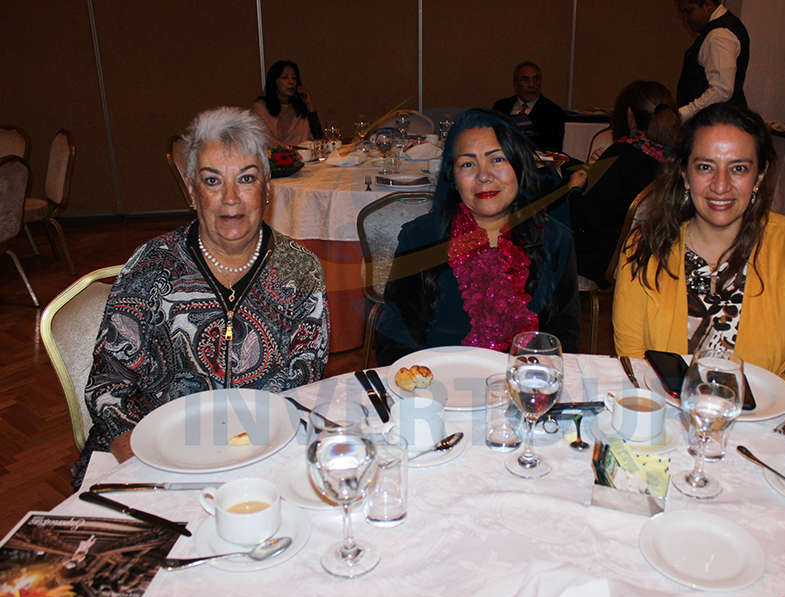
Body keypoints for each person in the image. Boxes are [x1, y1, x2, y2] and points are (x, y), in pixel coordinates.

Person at [73, 107, 330, 487]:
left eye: (246, 179)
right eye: (212, 181)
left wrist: (255, 459)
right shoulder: (153, 266)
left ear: (267, 188)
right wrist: (143, 465)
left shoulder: (299, 268)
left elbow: (304, 376)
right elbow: (108, 383)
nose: (230, 198)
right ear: (193, 191)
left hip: (260, 451)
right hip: (154, 453)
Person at [612, 103, 785, 391]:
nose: (721, 186)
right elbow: (634, 359)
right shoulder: (646, 246)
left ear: (759, 176)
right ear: (684, 173)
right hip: (669, 418)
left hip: (769, 423)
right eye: (706, 167)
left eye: (739, 169)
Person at [375, 109, 579, 365]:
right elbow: (395, 340)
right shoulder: (421, 239)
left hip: (524, 386)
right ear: (453, 177)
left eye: (498, 160)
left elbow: (564, 340)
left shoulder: (554, 239)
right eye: (468, 164)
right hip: (439, 389)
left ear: (519, 166)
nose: (484, 175)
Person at [569, 81, 680, 287]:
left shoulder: (622, 154)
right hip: (659, 258)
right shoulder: (679, 160)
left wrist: (574, 189)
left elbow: (587, 217)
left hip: (611, 260)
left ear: (629, 115)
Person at [676, 0, 749, 122]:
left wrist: (684, 113)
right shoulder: (727, 26)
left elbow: (721, 91)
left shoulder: (719, 35)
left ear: (707, 6)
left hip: (717, 122)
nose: (686, 19)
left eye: (689, 11)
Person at [492, 61, 566, 152]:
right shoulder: (501, 107)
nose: (531, 85)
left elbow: (553, 149)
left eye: (536, 79)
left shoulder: (553, 112)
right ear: (515, 84)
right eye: (525, 80)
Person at [251, 60, 323, 146]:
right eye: (285, 78)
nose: (291, 82)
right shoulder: (261, 108)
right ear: (274, 81)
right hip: (273, 157)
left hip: (304, 156)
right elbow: (264, 140)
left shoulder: (299, 106)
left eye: (294, 78)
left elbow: (318, 137)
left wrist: (309, 104)